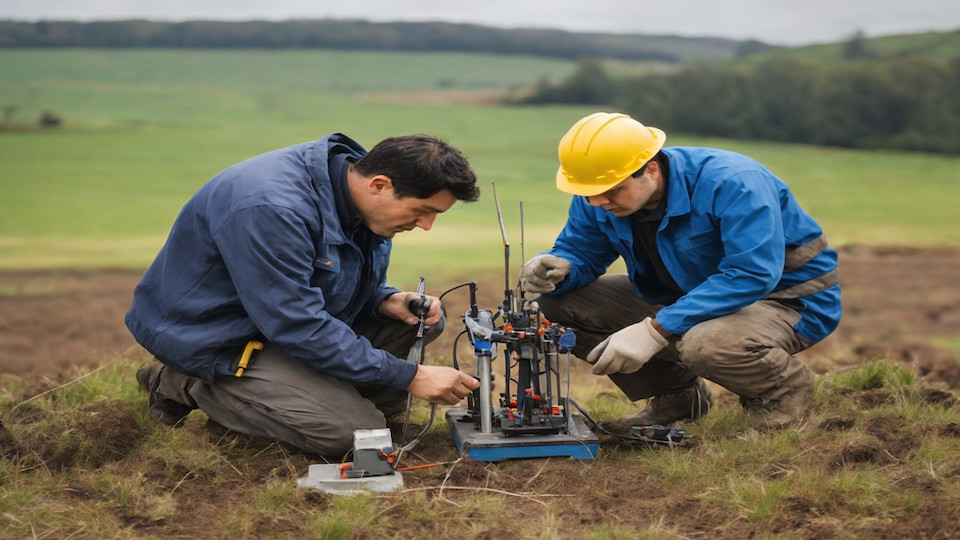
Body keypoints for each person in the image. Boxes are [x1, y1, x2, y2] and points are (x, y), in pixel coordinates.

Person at [127, 133, 482, 456]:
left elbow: (314, 282)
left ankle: (346, 410)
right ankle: (180, 381)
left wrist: (382, 300)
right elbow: (296, 323)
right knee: (353, 436)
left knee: (419, 322)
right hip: (217, 337)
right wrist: (411, 376)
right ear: (379, 185)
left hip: (275, 323)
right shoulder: (272, 208)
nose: (426, 225)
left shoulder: (354, 190)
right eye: (423, 211)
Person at [520, 112, 841, 428]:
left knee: (706, 344)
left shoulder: (733, 183)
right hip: (688, 295)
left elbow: (752, 273)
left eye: (612, 189)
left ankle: (783, 389)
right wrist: (560, 267)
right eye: (589, 192)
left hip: (785, 300)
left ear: (651, 169)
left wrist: (655, 330)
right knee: (555, 309)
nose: (598, 201)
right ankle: (679, 396)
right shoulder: (596, 197)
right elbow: (580, 251)